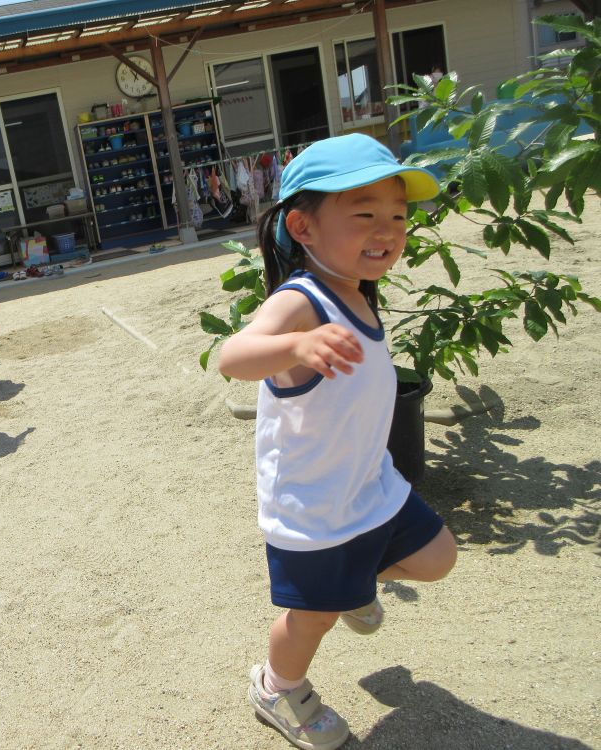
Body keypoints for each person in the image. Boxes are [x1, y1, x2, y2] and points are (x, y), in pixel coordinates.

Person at [218, 134, 458, 750]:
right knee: (313, 618)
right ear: (303, 225)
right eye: (365, 214)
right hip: (316, 508)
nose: (389, 229)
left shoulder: (355, 290)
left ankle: (356, 588)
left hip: (367, 484)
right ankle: (278, 686)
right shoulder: (300, 301)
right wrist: (295, 347)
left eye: (399, 216)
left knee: (437, 558)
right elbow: (232, 356)